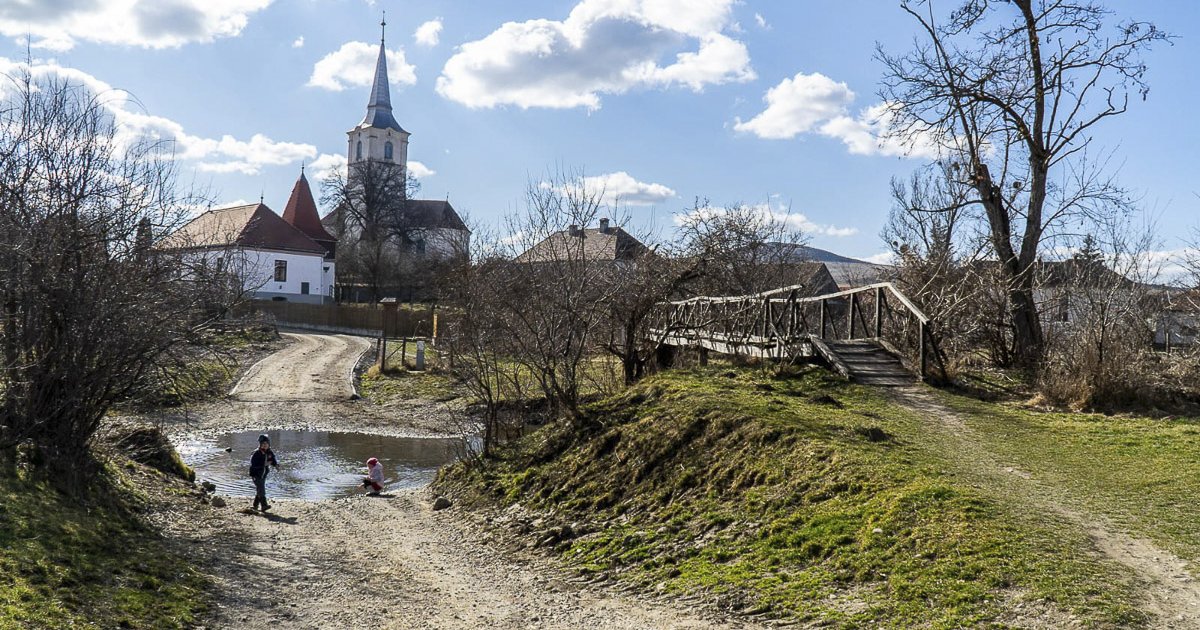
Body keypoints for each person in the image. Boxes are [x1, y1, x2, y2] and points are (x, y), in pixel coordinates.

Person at [249, 434, 279, 511]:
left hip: (264, 474)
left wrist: (275, 465)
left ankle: (255, 506)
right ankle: (264, 505)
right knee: (261, 489)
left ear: (269, 444)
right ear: (260, 445)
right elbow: (253, 464)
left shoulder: (269, 452)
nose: (265, 446)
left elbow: (273, 459)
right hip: (256, 474)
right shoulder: (256, 453)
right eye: (263, 444)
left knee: (259, 489)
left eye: (266, 444)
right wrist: (263, 464)